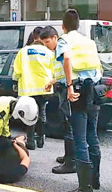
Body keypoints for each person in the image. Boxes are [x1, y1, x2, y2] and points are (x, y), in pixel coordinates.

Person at [46, 9, 102, 192]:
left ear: (63, 27)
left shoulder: (65, 40)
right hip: (93, 90)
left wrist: (70, 87)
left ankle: (85, 190)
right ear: (78, 25)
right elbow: (97, 67)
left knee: (80, 141)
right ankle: (95, 180)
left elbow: (67, 59)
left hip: (77, 92)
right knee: (92, 136)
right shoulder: (89, 41)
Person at [40, 26, 76, 174]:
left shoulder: (62, 46)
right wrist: (52, 82)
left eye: (47, 42)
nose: (46, 46)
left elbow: (69, 66)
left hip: (67, 90)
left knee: (69, 126)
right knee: (65, 124)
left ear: (55, 37)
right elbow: (62, 72)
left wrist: (69, 87)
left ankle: (71, 162)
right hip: (62, 88)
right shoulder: (57, 52)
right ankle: (68, 156)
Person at [12, 27, 55, 150]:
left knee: (30, 114)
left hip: (28, 89)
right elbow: (54, 71)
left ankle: (31, 141)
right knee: (41, 111)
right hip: (44, 88)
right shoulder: (49, 53)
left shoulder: (24, 51)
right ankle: (41, 136)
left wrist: (15, 82)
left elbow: (17, 71)